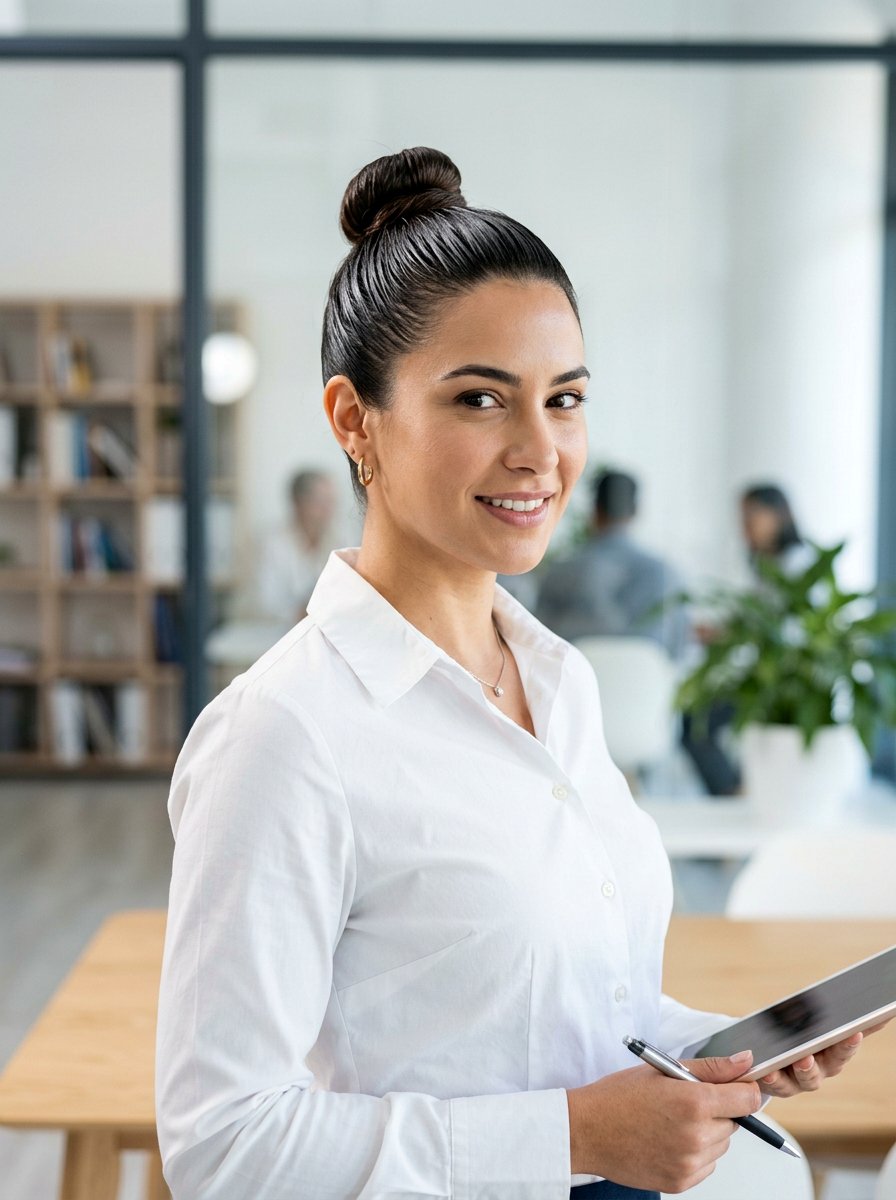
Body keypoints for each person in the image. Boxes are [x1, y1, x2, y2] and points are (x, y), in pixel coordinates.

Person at [156, 148, 877, 1199]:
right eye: (480, 401)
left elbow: (574, 1011)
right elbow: (223, 1146)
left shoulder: (558, 680)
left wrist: (717, 1053)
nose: (540, 450)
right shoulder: (282, 735)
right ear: (354, 420)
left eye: (565, 397)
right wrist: (576, 1137)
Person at [681, 482, 813, 797]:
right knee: (699, 724)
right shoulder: (768, 567)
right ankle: (739, 792)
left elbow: (785, 630)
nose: (746, 526)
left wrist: (729, 633)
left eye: (753, 515)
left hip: (782, 685)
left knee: (698, 725)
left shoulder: (798, 565)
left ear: (780, 514)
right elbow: (755, 620)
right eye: (742, 517)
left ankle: (736, 794)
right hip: (762, 679)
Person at [535, 469, 690, 661]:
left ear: (595, 510)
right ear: (635, 510)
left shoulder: (561, 572)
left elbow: (536, 642)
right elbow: (679, 651)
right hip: (649, 689)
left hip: (571, 686)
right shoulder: (667, 574)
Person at [255, 467, 340, 624]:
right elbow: (267, 603)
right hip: (283, 633)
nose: (328, 510)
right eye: (319, 502)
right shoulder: (275, 542)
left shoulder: (341, 539)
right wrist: (301, 613)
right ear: (298, 503)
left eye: (331, 501)